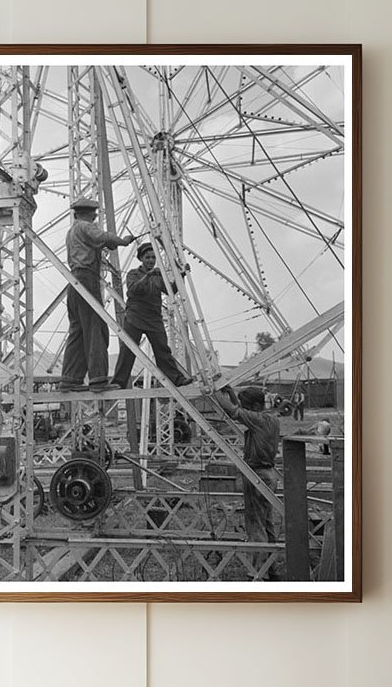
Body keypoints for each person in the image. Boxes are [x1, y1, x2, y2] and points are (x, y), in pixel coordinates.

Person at [59, 197, 135, 392]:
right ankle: (98, 379)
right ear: (89, 213)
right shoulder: (85, 226)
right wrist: (122, 241)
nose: (95, 216)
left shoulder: (72, 231)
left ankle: (70, 378)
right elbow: (104, 238)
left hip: (74, 281)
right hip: (87, 279)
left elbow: (96, 244)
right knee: (96, 328)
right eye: (94, 213)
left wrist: (106, 245)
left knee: (78, 331)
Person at [112, 242, 193, 389]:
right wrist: (148, 276)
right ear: (141, 259)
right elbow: (132, 291)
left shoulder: (158, 275)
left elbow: (170, 290)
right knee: (128, 349)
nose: (151, 260)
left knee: (162, 349)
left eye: (153, 257)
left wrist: (182, 275)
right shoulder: (133, 274)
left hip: (154, 318)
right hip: (135, 317)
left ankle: (176, 378)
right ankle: (119, 382)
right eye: (147, 257)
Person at [213, 384, 281, 547]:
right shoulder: (270, 418)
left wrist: (214, 393)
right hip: (268, 474)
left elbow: (235, 412)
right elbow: (241, 411)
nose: (245, 410)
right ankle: (271, 566)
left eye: (247, 407)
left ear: (256, 406)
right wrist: (230, 393)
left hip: (257, 475)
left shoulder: (259, 420)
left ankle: (259, 570)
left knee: (255, 524)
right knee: (266, 520)